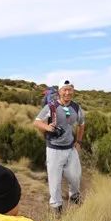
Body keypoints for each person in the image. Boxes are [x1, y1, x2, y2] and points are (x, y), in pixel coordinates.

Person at [33, 79, 85, 214]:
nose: (67, 92)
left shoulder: (76, 108)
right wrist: (48, 127)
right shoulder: (51, 107)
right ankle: (57, 207)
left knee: (75, 177)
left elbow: (81, 124)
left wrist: (78, 142)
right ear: (59, 92)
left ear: (73, 91)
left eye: (70, 90)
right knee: (55, 182)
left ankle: (74, 196)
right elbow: (37, 122)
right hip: (54, 150)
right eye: (64, 90)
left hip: (70, 149)